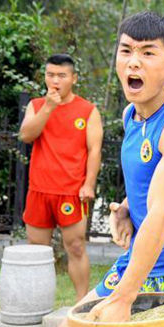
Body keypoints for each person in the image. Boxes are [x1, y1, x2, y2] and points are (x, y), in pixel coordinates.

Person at [38, 11, 164, 327]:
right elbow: (152, 179)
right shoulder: (132, 114)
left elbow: (162, 214)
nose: (134, 62)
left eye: (148, 53)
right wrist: (127, 207)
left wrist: (123, 298)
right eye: (126, 51)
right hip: (133, 264)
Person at [19, 54, 102, 301]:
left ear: (73, 78)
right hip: (39, 189)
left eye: (61, 75)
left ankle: (81, 304)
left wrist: (89, 184)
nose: (55, 80)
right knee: (36, 249)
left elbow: (94, 151)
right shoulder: (36, 105)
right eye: (50, 75)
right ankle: (37, 302)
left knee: (75, 247)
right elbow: (26, 135)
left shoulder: (88, 110)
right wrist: (48, 107)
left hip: (71, 191)